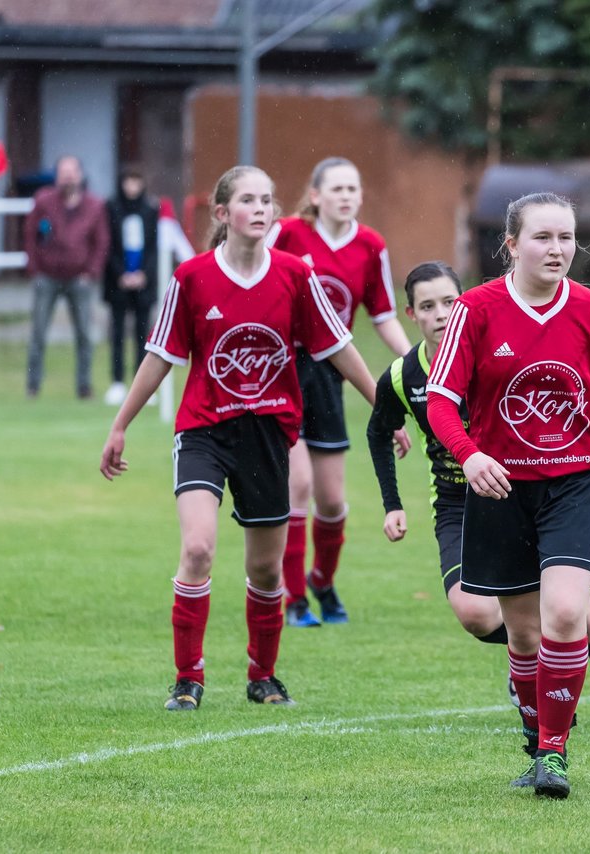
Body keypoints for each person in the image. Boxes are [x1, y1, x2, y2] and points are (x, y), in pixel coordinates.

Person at [99, 165, 378, 711]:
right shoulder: (193, 277)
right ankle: (187, 678)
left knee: (265, 569)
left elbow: (339, 347)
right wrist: (120, 424)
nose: (261, 209)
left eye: (268, 200)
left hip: (269, 434)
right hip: (204, 429)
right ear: (223, 214)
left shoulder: (297, 275)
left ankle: (263, 676)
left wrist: (383, 407)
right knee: (198, 548)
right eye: (248, 200)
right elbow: (160, 356)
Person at [367, 260, 590, 732]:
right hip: (458, 502)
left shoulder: (491, 339)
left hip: (524, 489)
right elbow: (377, 428)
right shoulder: (405, 375)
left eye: (449, 301)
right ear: (412, 314)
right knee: (476, 612)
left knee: (575, 615)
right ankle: (528, 663)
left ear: (462, 301)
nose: (442, 314)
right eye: (428, 306)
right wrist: (393, 503)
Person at [427, 192, 590, 799]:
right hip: (501, 490)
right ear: (512, 244)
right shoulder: (474, 311)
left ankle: (554, 755)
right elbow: (441, 400)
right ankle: (535, 738)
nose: (557, 250)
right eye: (543, 238)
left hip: (577, 483)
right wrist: (470, 455)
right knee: (524, 636)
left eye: (566, 238)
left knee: (564, 612)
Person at [266, 157, 412, 628]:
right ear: (315, 195)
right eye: (337, 188)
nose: (347, 195)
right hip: (280, 369)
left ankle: (322, 582)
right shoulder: (287, 233)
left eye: (354, 188)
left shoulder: (370, 245)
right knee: (299, 486)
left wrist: (418, 361)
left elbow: (383, 314)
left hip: (331, 375)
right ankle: (293, 601)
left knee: (331, 500)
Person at [24, 154, 110, 400]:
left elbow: (102, 241)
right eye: (63, 173)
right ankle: (33, 386)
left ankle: (84, 387)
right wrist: (34, 268)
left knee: (84, 334)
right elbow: (30, 234)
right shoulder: (44, 201)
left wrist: (92, 272)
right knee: (38, 333)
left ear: (80, 175)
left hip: (79, 277)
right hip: (47, 275)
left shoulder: (94, 206)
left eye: (72, 173)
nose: (68, 178)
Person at [102, 165, 160, 406]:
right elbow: (107, 244)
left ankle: (141, 383)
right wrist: (121, 274)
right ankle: (117, 381)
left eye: (136, 181)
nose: (132, 187)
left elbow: (154, 247)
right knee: (117, 332)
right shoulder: (111, 208)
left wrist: (144, 274)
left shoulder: (150, 210)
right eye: (128, 181)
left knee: (142, 333)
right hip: (118, 281)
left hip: (143, 283)